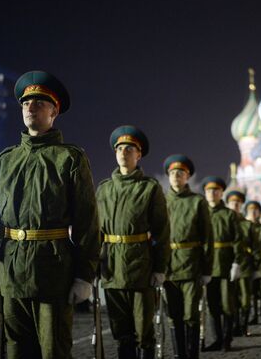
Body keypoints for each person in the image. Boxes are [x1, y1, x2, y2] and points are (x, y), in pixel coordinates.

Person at [0, 70, 100, 358]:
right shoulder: (5, 160)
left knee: (53, 351)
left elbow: (86, 221)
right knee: (14, 352)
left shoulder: (70, 158)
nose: (30, 107)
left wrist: (84, 275)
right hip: (10, 273)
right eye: (25, 103)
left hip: (53, 274)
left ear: (54, 112)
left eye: (39, 102)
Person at [97, 125, 171, 358]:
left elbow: (162, 232)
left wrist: (160, 268)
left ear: (139, 155)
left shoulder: (150, 188)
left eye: (130, 148)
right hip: (111, 269)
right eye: (119, 148)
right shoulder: (104, 189)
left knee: (144, 332)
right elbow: (95, 232)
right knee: (121, 333)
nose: (123, 152)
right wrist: (90, 266)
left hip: (141, 268)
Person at [162, 154, 213, 359]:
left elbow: (207, 237)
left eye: (180, 173)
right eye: (173, 173)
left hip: (192, 265)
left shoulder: (197, 202)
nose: (176, 176)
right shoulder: (161, 201)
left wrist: (207, 269)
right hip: (168, 267)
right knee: (173, 316)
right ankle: (179, 355)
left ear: (187, 176)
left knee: (191, 315)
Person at [201, 176, 242, 352]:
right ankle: (217, 338)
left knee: (227, 304)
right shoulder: (201, 213)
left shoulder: (229, 215)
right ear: (205, 193)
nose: (212, 193)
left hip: (225, 264)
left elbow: (238, 240)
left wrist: (237, 262)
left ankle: (227, 338)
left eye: (216, 190)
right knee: (213, 305)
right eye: (209, 190)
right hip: (208, 266)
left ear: (221, 193)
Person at [225, 190, 255, 337]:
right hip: (226, 265)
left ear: (241, 204)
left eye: (237, 202)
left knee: (244, 297)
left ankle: (243, 325)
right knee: (230, 298)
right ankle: (233, 326)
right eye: (232, 202)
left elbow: (254, 246)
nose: (235, 205)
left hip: (244, 265)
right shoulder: (225, 220)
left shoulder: (247, 225)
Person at [244, 201, 261, 325]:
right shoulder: (244, 226)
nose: (253, 213)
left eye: (256, 211)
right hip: (249, 263)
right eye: (250, 211)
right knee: (252, 292)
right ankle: (253, 315)